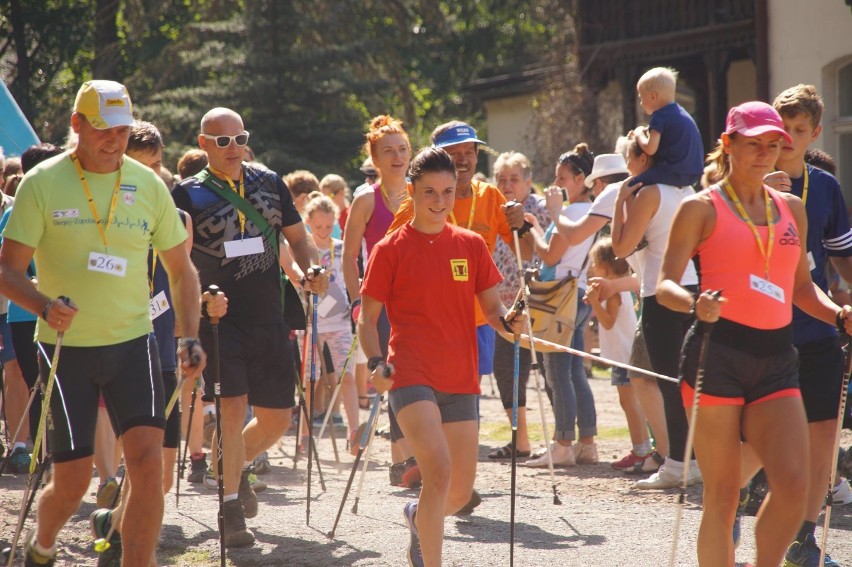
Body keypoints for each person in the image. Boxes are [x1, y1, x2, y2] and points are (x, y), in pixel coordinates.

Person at [0, 79, 207, 567]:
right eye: (101, 129)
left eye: (121, 130)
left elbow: (182, 270)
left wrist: (189, 335)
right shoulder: (43, 182)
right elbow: (7, 270)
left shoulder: (147, 183)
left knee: (148, 464)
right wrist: (44, 304)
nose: (113, 141)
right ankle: (43, 545)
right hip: (64, 346)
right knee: (71, 482)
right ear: (76, 125)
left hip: (133, 343)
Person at [657, 100, 852, 567]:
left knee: (795, 482)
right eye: (753, 144)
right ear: (728, 145)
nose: (765, 153)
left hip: (776, 358)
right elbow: (665, 285)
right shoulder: (699, 208)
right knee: (723, 498)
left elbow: (802, 289)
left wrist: (840, 314)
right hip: (716, 353)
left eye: (774, 145)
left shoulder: (793, 209)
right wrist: (694, 303)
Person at [358, 146, 527, 567]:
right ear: (412, 192)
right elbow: (368, 318)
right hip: (410, 373)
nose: (439, 202)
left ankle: (419, 517)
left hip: (461, 377)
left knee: (458, 491)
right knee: (438, 473)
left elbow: (492, 311)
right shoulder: (390, 248)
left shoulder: (470, 245)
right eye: (429, 192)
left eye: (447, 192)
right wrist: (377, 364)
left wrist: (510, 322)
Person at [171, 107, 328, 547]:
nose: (234, 148)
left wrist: (313, 269)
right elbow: (175, 263)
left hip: (270, 316)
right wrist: (200, 301)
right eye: (223, 142)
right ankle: (230, 509)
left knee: (277, 420)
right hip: (219, 321)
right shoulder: (184, 194)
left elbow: (298, 239)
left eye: (240, 139)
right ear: (204, 145)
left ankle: (232, 466)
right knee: (232, 410)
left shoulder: (269, 181)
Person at [743, 85, 852, 567]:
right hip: (762, 333)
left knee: (823, 439)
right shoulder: (748, 182)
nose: (787, 138)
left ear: (814, 134)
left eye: (798, 131)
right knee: (760, 446)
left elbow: (842, 260)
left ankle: (802, 542)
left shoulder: (824, 187)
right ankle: (727, 513)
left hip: (816, 330)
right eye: (780, 129)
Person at [608, 130, 701, 487]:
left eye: (630, 160)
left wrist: (619, 203)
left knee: (669, 382)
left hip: (660, 293)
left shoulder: (649, 192)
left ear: (644, 159)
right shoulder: (688, 191)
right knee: (688, 382)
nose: (628, 168)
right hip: (691, 286)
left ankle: (679, 462)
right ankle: (690, 458)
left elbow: (620, 247)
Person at [342, 115, 420, 488]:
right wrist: (358, 300)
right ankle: (400, 459)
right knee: (392, 376)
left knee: (419, 374)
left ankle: (416, 454)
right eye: (388, 151)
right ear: (374, 158)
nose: (398, 156)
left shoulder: (421, 192)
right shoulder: (364, 199)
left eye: (403, 149)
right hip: (380, 302)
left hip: (418, 300)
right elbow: (349, 255)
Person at [524, 144, 599, 467]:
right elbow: (560, 250)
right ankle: (586, 443)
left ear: (582, 179)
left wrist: (529, 232)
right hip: (577, 296)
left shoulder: (569, 213)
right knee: (574, 373)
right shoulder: (588, 212)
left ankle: (563, 443)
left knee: (557, 374)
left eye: (563, 177)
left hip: (559, 301)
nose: (556, 184)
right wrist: (539, 228)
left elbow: (551, 256)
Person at [488, 150, 550, 460]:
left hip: (538, 300)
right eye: (501, 179)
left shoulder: (537, 209)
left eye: (514, 178)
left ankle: (567, 440)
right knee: (506, 369)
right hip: (503, 305)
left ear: (528, 181)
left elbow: (549, 250)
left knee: (552, 371)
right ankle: (521, 440)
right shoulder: (492, 208)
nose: (507, 184)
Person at [584, 238, 649, 470]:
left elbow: (608, 322)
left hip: (624, 355)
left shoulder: (614, 293)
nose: (592, 267)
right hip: (626, 353)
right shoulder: (621, 288)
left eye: (595, 263)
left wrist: (594, 303)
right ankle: (643, 447)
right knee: (633, 402)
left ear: (606, 265)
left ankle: (640, 448)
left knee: (628, 402)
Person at [301, 192, 358, 454]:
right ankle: (304, 435)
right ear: (308, 222)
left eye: (327, 226)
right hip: (311, 324)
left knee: (347, 376)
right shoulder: (302, 249)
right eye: (317, 226)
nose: (323, 232)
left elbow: (352, 280)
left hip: (340, 322)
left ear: (334, 221)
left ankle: (354, 434)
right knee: (309, 381)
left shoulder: (342, 247)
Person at [631, 67, 703, 188]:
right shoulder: (680, 112)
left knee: (632, 185)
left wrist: (638, 134)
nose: (641, 103)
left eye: (641, 98)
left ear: (653, 96)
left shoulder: (659, 116)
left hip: (673, 171)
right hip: (694, 173)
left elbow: (650, 149)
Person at [318, 174, 348, 239]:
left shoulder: (351, 215)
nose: (325, 199)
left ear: (341, 192)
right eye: (323, 196)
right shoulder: (321, 215)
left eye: (329, 196)